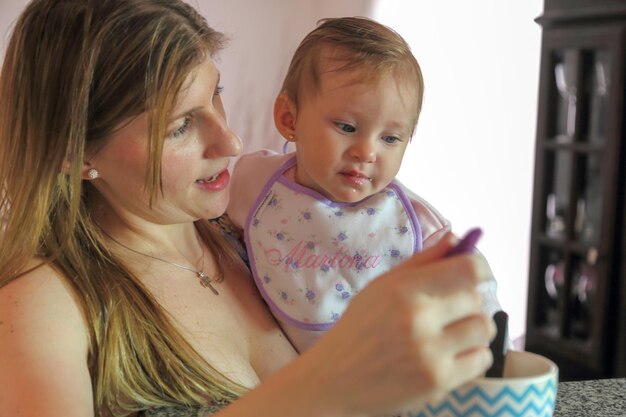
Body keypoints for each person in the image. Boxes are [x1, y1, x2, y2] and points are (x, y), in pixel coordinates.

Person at [0, 1, 496, 417]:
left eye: (215, 94)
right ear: (74, 152)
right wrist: (333, 378)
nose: (231, 141)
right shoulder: (41, 304)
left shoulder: (257, 232)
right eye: (179, 126)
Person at [227, 17, 504, 352]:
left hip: (381, 379)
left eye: (390, 138)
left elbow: (473, 278)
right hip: (286, 378)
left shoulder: (411, 223)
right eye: (346, 127)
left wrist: (491, 345)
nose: (367, 152)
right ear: (289, 119)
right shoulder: (256, 182)